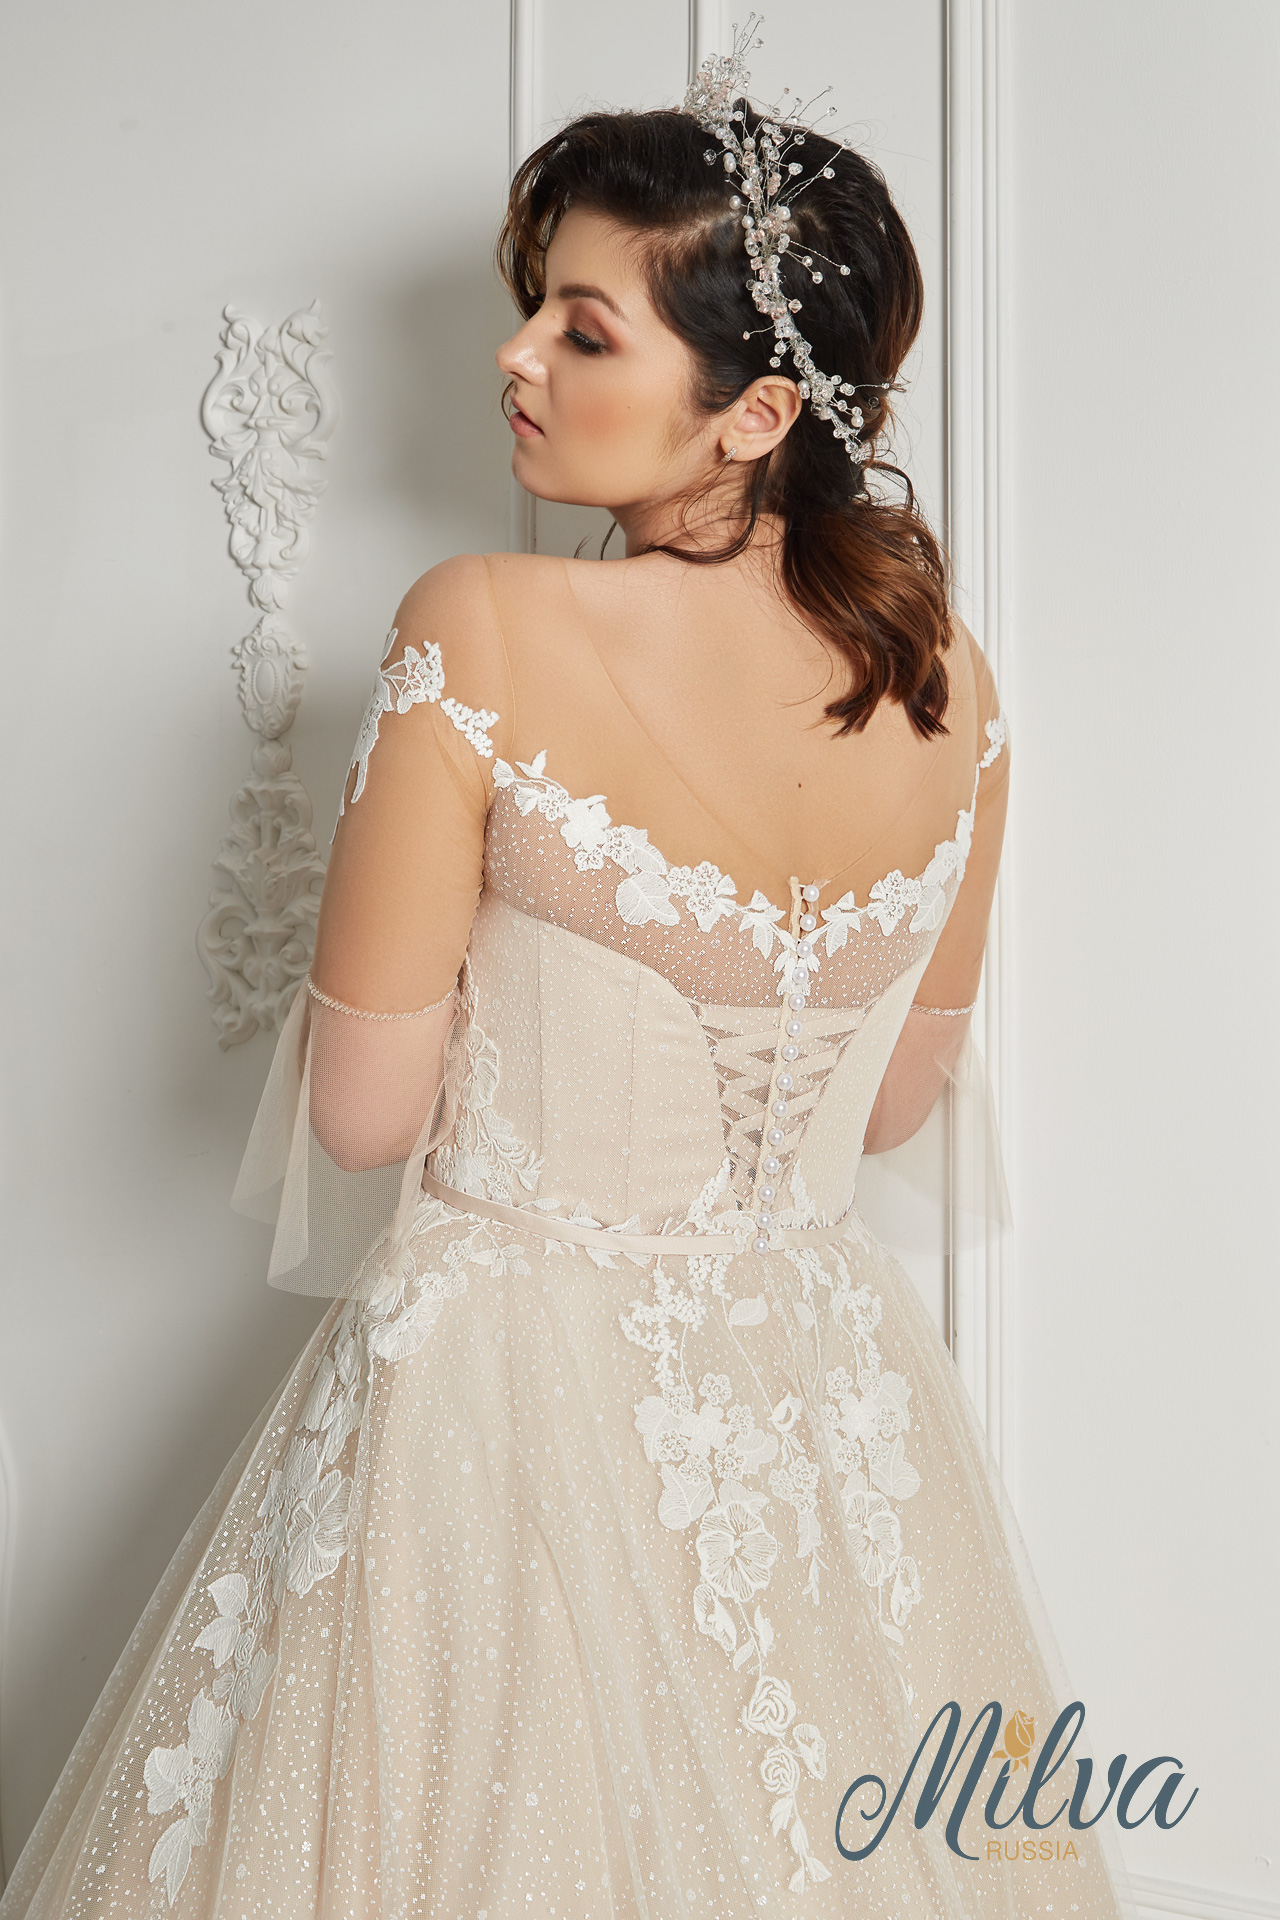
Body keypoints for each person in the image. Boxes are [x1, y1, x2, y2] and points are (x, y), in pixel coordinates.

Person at [0, 32, 1127, 1920]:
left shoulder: (486, 626)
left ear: (757, 413)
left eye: (583, 331)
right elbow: (898, 1105)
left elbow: (362, 1118)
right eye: (535, 311)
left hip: (507, 1400)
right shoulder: (954, 691)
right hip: (817, 1400)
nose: (515, 358)